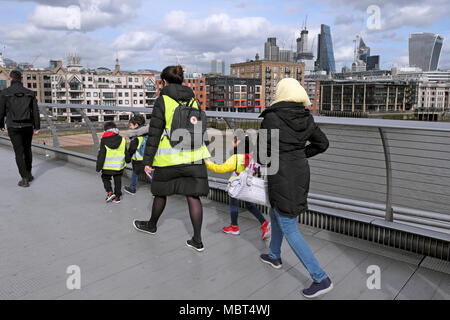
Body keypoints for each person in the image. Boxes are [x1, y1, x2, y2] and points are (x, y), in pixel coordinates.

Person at [257, 78, 333, 299]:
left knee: (289, 225)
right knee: (276, 211)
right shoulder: (305, 117)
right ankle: (274, 255)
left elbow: (262, 156)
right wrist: (300, 154)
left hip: (281, 174)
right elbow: (323, 143)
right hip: (300, 172)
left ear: (280, 93)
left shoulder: (271, 117)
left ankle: (320, 278)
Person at [132, 65, 211, 252]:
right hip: (194, 157)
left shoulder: (163, 100)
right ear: (182, 80)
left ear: (164, 82)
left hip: (169, 158)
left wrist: (147, 161)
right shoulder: (192, 100)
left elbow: (154, 133)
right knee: (193, 197)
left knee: (160, 193)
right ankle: (197, 240)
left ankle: (151, 225)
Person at [205, 136, 270, 240]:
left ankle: (234, 227)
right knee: (249, 205)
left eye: (236, 141)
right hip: (248, 186)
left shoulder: (236, 158)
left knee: (233, 204)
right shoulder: (254, 157)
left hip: (237, 185)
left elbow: (220, 169)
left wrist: (208, 162)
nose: (233, 142)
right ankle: (264, 223)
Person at [0, 70, 40, 187]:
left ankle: (24, 178)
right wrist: (37, 126)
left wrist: (1, 124)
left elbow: (1, 111)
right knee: (27, 150)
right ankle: (29, 174)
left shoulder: (4, 93)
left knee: (19, 152)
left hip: (13, 126)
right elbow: (35, 111)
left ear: (11, 79)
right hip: (28, 125)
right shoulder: (30, 93)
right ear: (21, 79)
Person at [96, 121, 126, 204]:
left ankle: (110, 192)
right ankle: (117, 197)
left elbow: (101, 155)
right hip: (118, 166)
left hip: (107, 166)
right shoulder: (122, 139)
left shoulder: (104, 140)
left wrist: (99, 167)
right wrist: (127, 160)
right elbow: (125, 151)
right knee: (118, 180)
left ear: (105, 130)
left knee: (105, 178)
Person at [124, 114, 152, 195]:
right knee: (150, 173)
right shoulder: (148, 134)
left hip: (138, 159)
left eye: (130, 125)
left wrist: (128, 158)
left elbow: (132, 149)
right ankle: (156, 189)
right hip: (148, 157)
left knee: (135, 173)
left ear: (136, 125)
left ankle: (132, 188)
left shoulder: (135, 138)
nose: (130, 127)